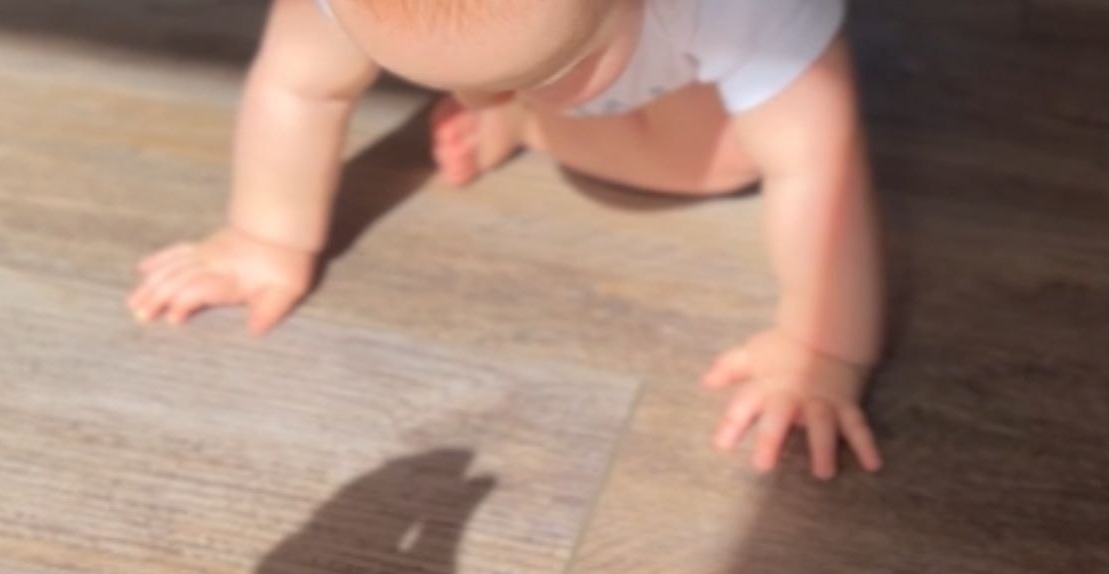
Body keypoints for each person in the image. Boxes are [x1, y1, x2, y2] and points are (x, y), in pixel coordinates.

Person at [127, 0, 884, 478]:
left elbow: (819, 160)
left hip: (697, 51)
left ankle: (535, 120)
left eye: (544, 74)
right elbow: (301, 86)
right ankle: (536, 107)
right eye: (436, 79)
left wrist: (821, 346)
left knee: (730, 159)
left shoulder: (740, 11)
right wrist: (263, 237)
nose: (465, 102)